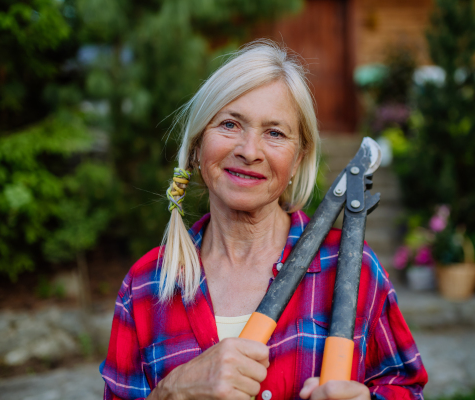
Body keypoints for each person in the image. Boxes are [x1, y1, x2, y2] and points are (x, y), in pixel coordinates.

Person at [100, 40, 428, 400]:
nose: (249, 151)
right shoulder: (145, 287)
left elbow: (405, 386)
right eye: (229, 124)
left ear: (299, 159)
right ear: (196, 145)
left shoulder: (350, 266)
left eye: (274, 133)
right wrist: (169, 393)